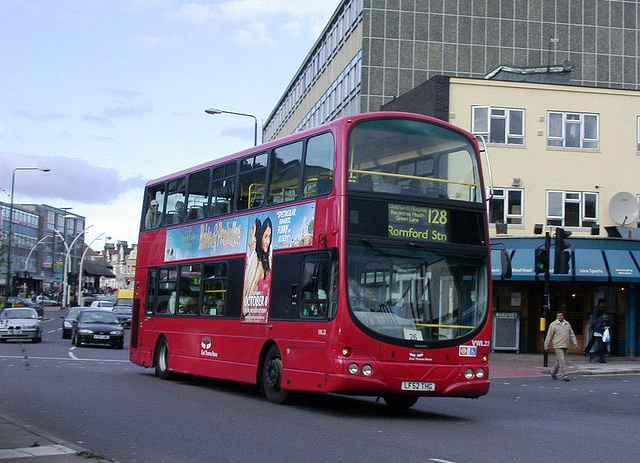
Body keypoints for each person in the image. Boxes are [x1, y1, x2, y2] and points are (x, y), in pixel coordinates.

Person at [544, 311, 578, 381]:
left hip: (566, 344)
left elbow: (571, 334)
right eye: (558, 315)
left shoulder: (567, 324)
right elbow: (549, 336)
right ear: (556, 317)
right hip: (557, 345)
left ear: (563, 316)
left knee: (559, 360)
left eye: (561, 315)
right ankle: (564, 375)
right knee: (562, 360)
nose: (560, 317)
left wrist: (575, 342)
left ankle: (553, 372)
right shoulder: (553, 325)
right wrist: (546, 345)